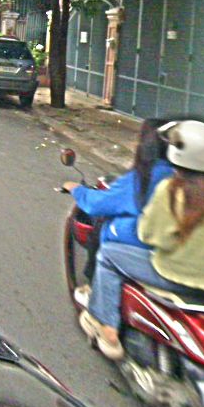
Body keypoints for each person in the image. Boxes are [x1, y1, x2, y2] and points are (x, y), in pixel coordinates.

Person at [78, 120, 204, 361]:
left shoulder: (172, 190)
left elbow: (148, 235)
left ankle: (106, 327)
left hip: (175, 277)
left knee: (108, 255)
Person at [62, 118, 173, 306]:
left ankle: (96, 299)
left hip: (153, 256)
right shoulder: (189, 178)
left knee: (104, 233)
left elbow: (97, 204)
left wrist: (76, 189)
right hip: (186, 259)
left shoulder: (144, 177)